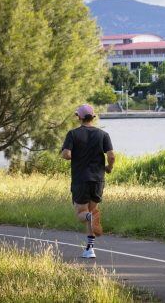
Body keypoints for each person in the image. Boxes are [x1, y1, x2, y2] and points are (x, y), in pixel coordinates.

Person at [61, 104, 114, 258]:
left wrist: (74, 156)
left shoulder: (73, 134)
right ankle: (90, 249)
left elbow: (66, 154)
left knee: (81, 214)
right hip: (98, 179)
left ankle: (91, 218)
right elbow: (111, 156)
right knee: (91, 211)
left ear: (79, 117)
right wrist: (109, 167)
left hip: (80, 179)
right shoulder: (103, 134)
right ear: (93, 117)